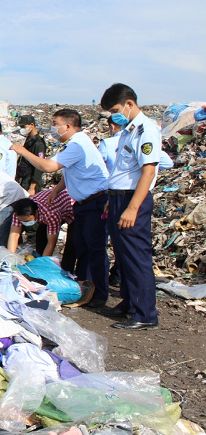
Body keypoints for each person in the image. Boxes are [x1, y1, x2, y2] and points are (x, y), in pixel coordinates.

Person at [10, 109, 110, 308]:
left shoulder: (77, 144)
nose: (53, 127)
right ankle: (82, 287)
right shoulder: (76, 144)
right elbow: (71, 171)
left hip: (95, 202)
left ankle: (97, 294)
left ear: (68, 126)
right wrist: (57, 189)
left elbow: (48, 166)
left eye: (55, 123)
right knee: (82, 246)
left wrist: (22, 151)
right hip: (83, 203)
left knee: (94, 249)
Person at [99, 83, 161, 330]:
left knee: (136, 256)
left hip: (132, 199)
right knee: (123, 256)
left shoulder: (146, 130)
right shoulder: (127, 131)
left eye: (115, 109)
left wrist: (132, 207)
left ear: (129, 104)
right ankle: (130, 303)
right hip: (118, 197)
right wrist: (110, 200)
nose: (113, 115)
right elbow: (121, 170)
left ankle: (145, 313)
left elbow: (148, 171)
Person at [6, 189, 75, 259]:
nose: (25, 223)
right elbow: (14, 234)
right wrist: (11, 257)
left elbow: (51, 243)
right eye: (23, 221)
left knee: (72, 242)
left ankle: (67, 268)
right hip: (49, 208)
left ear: (36, 212)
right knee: (40, 238)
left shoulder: (51, 215)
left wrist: (43, 263)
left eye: (28, 220)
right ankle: (40, 256)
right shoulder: (19, 213)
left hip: (72, 207)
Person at [14, 115, 46, 195]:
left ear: (32, 125)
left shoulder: (38, 143)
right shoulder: (29, 140)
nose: (22, 129)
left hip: (30, 181)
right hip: (23, 178)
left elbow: (39, 166)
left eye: (23, 126)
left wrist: (32, 187)